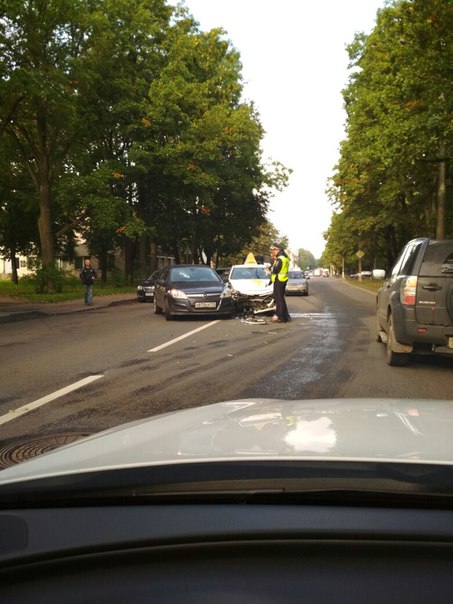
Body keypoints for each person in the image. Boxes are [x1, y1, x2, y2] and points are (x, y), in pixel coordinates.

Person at [269, 242, 291, 323]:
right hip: (282, 279)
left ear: (277, 250)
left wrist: (270, 270)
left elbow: (275, 270)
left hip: (279, 280)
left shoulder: (280, 258)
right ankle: (286, 316)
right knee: (281, 299)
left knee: (279, 300)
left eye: (273, 250)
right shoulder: (284, 257)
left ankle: (281, 317)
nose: (272, 252)